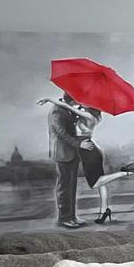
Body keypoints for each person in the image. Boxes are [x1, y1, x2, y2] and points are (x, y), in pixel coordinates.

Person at [41, 95, 83, 228]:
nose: (78, 102)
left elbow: (67, 126)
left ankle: (71, 217)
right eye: (76, 101)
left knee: (71, 187)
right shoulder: (57, 112)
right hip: (63, 153)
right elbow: (62, 132)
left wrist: (76, 116)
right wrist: (78, 144)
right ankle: (64, 218)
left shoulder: (64, 110)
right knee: (65, 188)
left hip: (69, 153)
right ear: (70, 99)